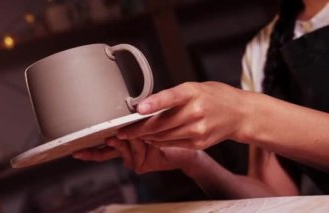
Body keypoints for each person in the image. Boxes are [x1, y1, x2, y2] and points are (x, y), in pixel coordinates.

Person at [73, 0, 329, 198]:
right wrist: (194, 161)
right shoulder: (263, 49)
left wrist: (245, 114)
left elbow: (247, 114)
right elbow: (278, 202)